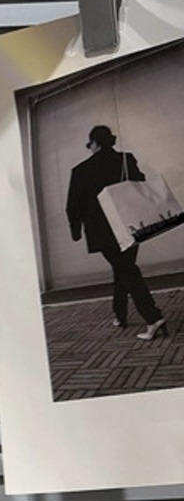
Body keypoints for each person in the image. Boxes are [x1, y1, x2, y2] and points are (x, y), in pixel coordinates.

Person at [66, 124, 168, 340]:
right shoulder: (125, 159)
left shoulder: (81, 170)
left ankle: (153, 317)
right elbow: (140, 183)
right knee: (123, 268)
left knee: (127, 271)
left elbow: (73, 205)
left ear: (94, 143)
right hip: (129, 225)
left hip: (102, 231)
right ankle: (120, 315)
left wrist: (76, 231)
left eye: (90, 145)